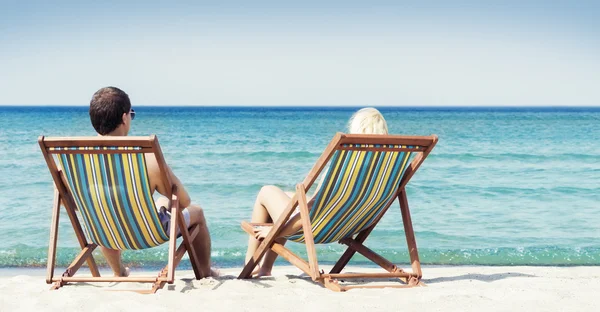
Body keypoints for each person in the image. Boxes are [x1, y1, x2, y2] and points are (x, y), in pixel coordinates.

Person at [244, 107, 389, 277]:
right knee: (291, 198)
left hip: (315, 227)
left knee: (267, 191)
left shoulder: (344, 166)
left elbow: (312, 207)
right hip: (343, 227)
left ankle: (250, 264)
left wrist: (275, 231)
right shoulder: (387, 169)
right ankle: (265, 268)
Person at [88, 86, 216, 278]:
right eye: (131, 114)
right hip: (146, 234)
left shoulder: (69, 161)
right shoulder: (145, 158)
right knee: (196, 212)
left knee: (106, 213)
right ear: (124, 118)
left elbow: (69, 205)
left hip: (103, 231)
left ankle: (118, 272)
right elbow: (184, 201)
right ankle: (206, 273)